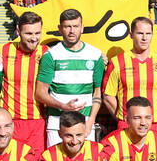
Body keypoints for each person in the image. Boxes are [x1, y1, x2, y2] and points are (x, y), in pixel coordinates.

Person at [36, 9, 105, 147]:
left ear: (82, 28)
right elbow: (40, 93)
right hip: (57, 123)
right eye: (67, 26)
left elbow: (97, 93)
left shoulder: (95, 55)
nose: (72, 31)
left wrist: (90, 122)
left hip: (85, 123)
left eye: (75, 26)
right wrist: (63, 106)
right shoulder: (51, 56)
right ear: (60, 29)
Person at [0, 11, 47, 154]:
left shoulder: (46, 53)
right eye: (29, 34)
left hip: (36, 122)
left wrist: (101, 55)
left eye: (37, 33)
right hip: (8, 123)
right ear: (18, 31)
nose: (34, 38)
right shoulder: (4, 50)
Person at [103, 17, 157, 133]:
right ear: (131, 35)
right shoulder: (117, 62)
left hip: (155, 125)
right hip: (127, 125)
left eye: (148, 33)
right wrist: (123, 118)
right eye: (140, 33)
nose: (144, 38)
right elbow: (108, 96)